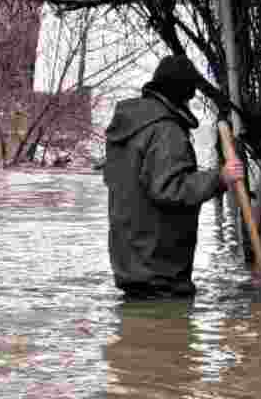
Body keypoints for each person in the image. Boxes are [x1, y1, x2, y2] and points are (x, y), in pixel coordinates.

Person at [103, 54, 244, 299]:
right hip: (159, 265)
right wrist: (220, 177)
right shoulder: (166, 130)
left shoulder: (129, 126)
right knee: (170, 318)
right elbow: (170, 189)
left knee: (141, 318)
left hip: (129, 261)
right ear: (183, 93)